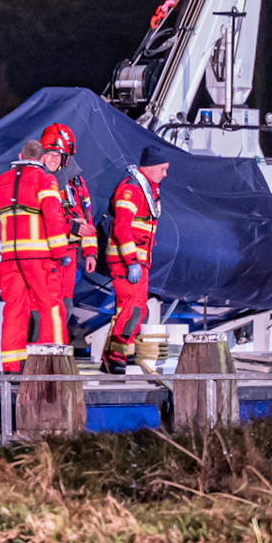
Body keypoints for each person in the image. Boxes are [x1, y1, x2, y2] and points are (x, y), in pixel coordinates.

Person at [0, 139, 72, 372]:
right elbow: (53, 217)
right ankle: (55, 364)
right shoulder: (46, 181)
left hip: (11, 261)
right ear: (42, 158)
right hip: (39, 259)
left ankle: (13, 368)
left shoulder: (1, 183)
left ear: (21, 157)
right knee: (51, 307)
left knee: (15, 311)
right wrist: (61, 251)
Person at [104, 145, 169, 375]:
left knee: (135, 310)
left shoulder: (148, 190)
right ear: (150, 168)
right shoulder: (131, 190)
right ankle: (116, 357)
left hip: (139, 262)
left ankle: (114, 356)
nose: (165, 174)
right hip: (126, 262)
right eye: (162, 169)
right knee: (132, 310)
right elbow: (123, 228)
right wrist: (131, 261)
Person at [39, 123, 96, 349]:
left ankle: (58, 351)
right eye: (48, 154)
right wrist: (70, 227)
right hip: (44, 255)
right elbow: (40, 219)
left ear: (66, 157)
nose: (52, 159)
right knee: (44, 307)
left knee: (66, 305)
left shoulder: (76, 183)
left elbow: (86, 218)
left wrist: (90, 252)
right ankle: (44, 353)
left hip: (69, 256)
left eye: (57, 154)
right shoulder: (36, 180)